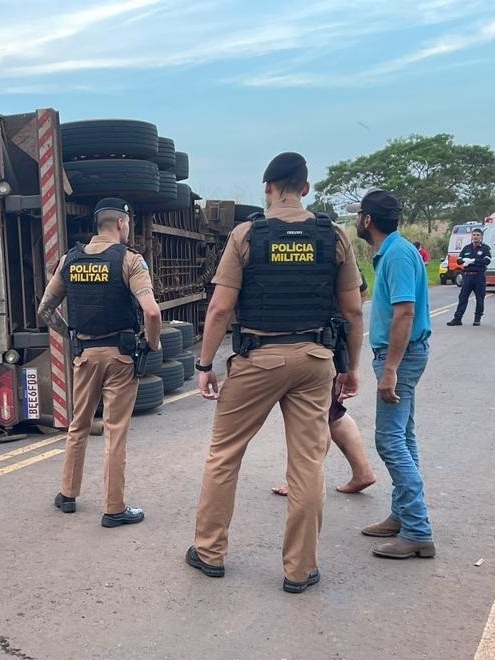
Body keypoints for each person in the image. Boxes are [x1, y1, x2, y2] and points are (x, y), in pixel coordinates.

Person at [185, 152, 364, 592]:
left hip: (257, 358)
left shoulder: (248, 235)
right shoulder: (333, 236)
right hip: (315, 360)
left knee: (225, 455)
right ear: (305, 187)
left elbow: (221, 307)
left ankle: (209, 552)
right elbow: (354, 311)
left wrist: (205, 364)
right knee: (307, 464)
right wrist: (351, 368)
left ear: (268, 189)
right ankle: (300, 569)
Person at [37, 197, 161, 528]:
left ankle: (67, 495)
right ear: (121, 222)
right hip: (120, 356)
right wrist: (152, 343)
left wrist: (73, 335)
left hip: (84, 355)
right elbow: (151, 311)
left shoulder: (69, 260)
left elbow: (45, 311)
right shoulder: (130, 261)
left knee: (78, 425)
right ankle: (114, 507)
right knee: (115, 432)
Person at [348, 190, 435, 560]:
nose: (356, 221)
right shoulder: (394, 252)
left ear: (368, 220)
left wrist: (391, 371)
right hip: (401, 355)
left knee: (390, 442)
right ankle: (402, 516)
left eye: (358, 215)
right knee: (404, 436)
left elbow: (404, 314)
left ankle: (417, 529)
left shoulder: (397, 255)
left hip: (400, 356)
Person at [272, 270, 376, 496]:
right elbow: (361, 294)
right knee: (333, 413)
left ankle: (303, 480)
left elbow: (357, 303)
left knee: (314, 417)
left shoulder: (317, 247)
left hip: (321, 344)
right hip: (333, 341)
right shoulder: (333, 246)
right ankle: (362, 471)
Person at [446, 228, 491, 326]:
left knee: (479, 298)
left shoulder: (485, 248)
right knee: (462, 297)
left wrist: (474, 261)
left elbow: (487, 261)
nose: (475, 237)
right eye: (474, 235)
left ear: (481, 237)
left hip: (479, 276)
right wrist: (463, 260)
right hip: (468, 276)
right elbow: (459, 260)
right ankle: (457, 318)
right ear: (471, 236)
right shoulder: (466, 248)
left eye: (478, 235)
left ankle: (477, 318)